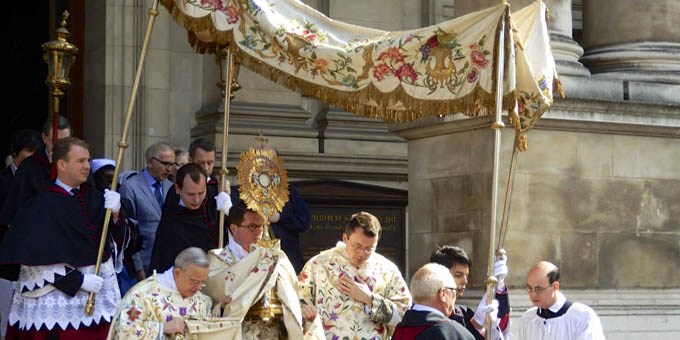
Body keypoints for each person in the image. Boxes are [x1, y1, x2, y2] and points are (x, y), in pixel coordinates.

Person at [0, 137, 128, 339]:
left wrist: (116, 215)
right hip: (55, 301)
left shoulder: (97, 198)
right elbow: (32, 260)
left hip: (97, 300)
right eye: (80, 161)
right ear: (61, 164)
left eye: (88, 160)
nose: (87, 166)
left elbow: (117, 243)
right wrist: (78, 280)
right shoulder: (40, 204)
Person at [298, 211, 412, 340]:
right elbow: (296, 301)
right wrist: (303, 309)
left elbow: (404, 316)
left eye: (369, 248)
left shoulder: (388, 271)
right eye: (357, 246)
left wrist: (369, 299)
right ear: (345, 238)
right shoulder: (318, 265)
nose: (362, 253)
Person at [107, 247, 217, 339]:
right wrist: (161, 328)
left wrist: (220, 309)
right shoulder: (142, 294)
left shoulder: (203, 301)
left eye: (202, 282)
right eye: (194, 281)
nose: (198, 287)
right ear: (178, 273)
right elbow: (124, 331)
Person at [0, 129, 44, 339]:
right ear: (15, 153)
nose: (33, 156)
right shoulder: (2, 180)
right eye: (28, 151)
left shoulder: (43, 178)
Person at [149, 163, 231, 273]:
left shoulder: (213, 201)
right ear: (178, 189)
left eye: (201, 193)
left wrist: (229, 212)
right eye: (191, 194)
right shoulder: (172, 209)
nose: (196, 200)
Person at [117, 142, 175, 293]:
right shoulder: (130, 187)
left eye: (172, 164)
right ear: (150, 162)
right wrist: (138, 267)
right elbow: (129, 230)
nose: (169, 169)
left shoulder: (170, 187)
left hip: (166, 264)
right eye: (165, 164)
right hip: (141, 263)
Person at [0, 116, 72, 226]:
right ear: (44, 138)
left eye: (65, 142)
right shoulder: (29, 166)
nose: (60, 148)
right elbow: (18, 209)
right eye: (54, 142)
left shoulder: (80, 164)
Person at [430, 246, 509, 340]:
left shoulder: (465, 313)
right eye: (458, 275)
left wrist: (498, 286)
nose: (465, 281)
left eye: (466, 275)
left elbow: (502, 326)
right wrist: (476, 325)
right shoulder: (424, 317)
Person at [517, 261, 606, 340]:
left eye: (539, 289)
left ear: (555, 286)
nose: (533, 294)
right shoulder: (527, 319)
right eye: (529, 288)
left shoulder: (582, 317)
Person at [392, 263, 475, 340]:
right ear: (443, 294)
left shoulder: (400, 330)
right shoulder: (452, 333)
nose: (455, 296)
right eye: (454, 290)